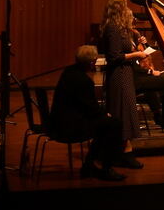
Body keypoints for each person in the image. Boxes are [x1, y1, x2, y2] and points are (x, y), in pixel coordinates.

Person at [99, 0, 164, 166]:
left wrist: (139, 42)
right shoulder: (112, 28)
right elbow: (114, 57)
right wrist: (137, 54)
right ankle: (125, 151)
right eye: (125, 6)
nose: (129, 10)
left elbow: (127, 50)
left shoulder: (122, 29)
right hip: (122, 75)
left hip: (129, 73)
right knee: (124, 113)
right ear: (119, 9)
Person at [49, 45, 125, 181]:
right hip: (70, 127)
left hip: (58, 121)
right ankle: (106, 167)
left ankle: (90, 164)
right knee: (114, 124)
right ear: (92, 62)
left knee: (106, 125)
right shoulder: (84, 81)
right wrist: (104, 114)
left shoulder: (68, 72)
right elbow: (91, 109)